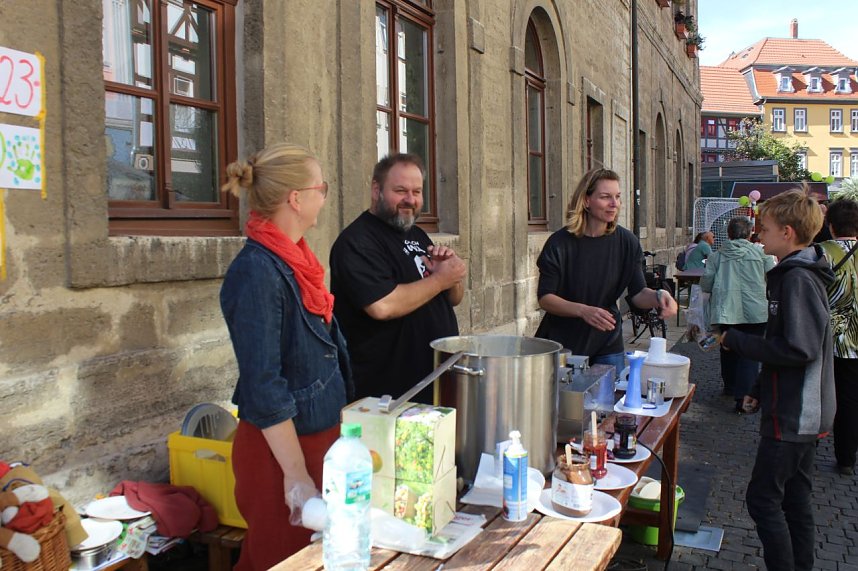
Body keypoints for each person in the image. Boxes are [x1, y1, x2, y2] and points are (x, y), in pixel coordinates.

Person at [219, 143, 352, 569]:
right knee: (279, 561)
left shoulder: (297, 260)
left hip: (317, 440)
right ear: (296, 198)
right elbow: (263, 385)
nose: (324, 197)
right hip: (280, 455)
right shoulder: (257, 270)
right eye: (321, 188)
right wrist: (296, 475)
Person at [720, 188, 835, 571]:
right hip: (795, 409)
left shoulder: (797, 279)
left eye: (764, 229)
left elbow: (798, 349)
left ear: (787, 232)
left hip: (795, 413)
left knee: (763, 500)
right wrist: (755, 389)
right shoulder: (792, 274)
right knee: (794, 500)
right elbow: (782, 341)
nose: (759, 236)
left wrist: (736, 341)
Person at [330, 153, 466, 403]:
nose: (410, 200)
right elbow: (382, 305)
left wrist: (451, 275)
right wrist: (439, 280)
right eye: (401, 190)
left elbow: (453, 299)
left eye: (417, 191)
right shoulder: (356, 241)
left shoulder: (418, 235)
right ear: (376, 190)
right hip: (387, 393)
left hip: (431, 381)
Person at [535, 168, 678, 376]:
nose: (614, 204)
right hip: (562, 345)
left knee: (609, 405)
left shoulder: (627, 242)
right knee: (562, 407)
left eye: (617, 197)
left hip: (607, 343)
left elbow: (638, 294)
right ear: (586, 200)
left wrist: (659, 296)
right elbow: (545, 298)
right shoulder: (559, 243)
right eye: (605, 197)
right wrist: (584, 310)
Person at [700, 216, 774, 411]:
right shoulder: (761, 254)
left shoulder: (717, 255)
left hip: (726, 310)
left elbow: (706, 282)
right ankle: (744, 396)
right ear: (749, 234)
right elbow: (773, 277)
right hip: (755, 310)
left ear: (729, 234)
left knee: (727, 347)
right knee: (750, 353)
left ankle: (731, 385)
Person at [819, 198, 858, 476]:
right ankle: (847, 456)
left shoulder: (822, 253)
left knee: (830, 395)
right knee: (851, 398)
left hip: (833, 338)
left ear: (830, 225)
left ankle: (840, 454)